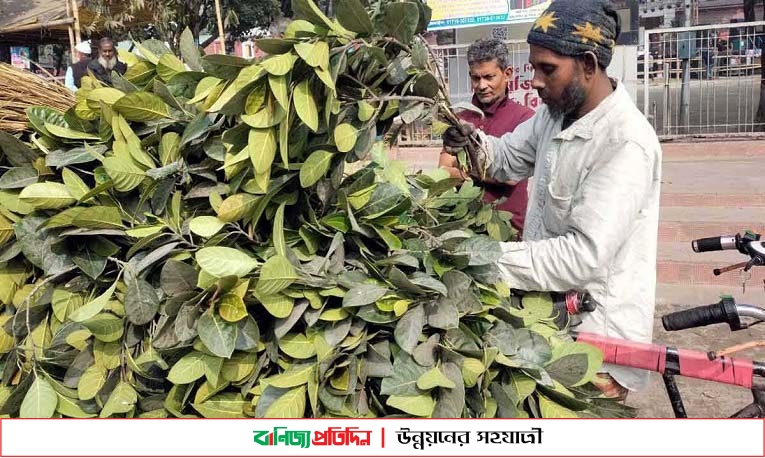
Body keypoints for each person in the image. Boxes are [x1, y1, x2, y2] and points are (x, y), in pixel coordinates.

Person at [442, 0, 662, 399]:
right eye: (533, 68)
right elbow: (507, 160)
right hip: (553, 318)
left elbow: (581, 257)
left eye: (548, 69)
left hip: (598, 340)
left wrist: (483, 256)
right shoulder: (555, 114)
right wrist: (471, 143)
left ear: (589, 65)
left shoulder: (625, 142)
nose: (536, 82)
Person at [439, 38, 535, 235]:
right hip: (465, 226)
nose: (481, 85)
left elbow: (509, 177)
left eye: (489, 77)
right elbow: (443, 170)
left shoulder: (525, 118)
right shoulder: (460, 119)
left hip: (507, 230)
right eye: (476, 78)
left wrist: (462, 168)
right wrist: (487, 172)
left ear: (507, 74)